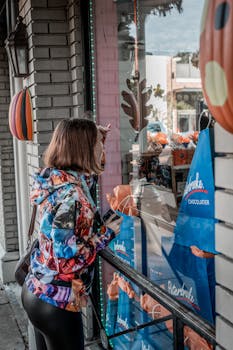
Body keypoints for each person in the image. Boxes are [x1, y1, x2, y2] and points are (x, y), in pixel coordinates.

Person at [21, 118, 122, 350]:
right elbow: (66, 261)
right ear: (84, 150)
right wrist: (106, 234)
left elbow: (86, 179)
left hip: (36, 290)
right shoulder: (73, 199)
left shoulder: (57, 178)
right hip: (55, 305)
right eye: (98, 144)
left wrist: (95, 137)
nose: (102, 149)